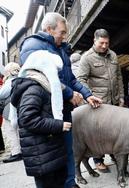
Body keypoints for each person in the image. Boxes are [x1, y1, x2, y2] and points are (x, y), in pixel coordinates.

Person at [19, 12, 102, 188]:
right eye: (62, 32)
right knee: (50, 157)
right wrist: (69, 94)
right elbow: (40, 78)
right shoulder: (32, 45)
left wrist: (87, 95)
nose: (65, 36)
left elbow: (70, 79)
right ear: (49, 29)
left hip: (63, 110)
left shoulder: (61, 50)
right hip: (46, 113)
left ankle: (70, 183)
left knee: (68, 150)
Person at [11, 50, 71, 188]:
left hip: (47, 152)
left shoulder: (41, 86)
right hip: (42, 154)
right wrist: (58, 125)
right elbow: (28, 119)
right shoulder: (33, 89)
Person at [77, 28, 124, 172]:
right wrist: (89, 96)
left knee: (115, 131)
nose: (104, 46)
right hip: (99, 104)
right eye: (101, 43)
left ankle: (115, 154)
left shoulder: (113, 55)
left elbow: (119, 77)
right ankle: (98, 160)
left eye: (107, 43)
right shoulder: (87, 57)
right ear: (94, 41)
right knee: (99, 134)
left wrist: (121, 96)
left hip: (114, 102)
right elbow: (81, 79)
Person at [0, 63, 22, 163]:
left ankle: (16, 152)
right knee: (17, 130)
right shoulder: (21, 77)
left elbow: (1, 94)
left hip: (9, 108)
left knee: (10, 130)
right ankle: (20, 150)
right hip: (19, 106)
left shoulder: (10, 81)